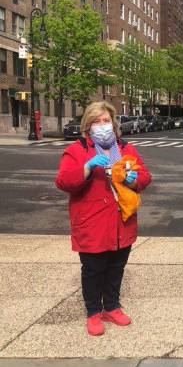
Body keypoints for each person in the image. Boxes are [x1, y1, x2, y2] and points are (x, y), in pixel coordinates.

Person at [55, 101, 152, 336]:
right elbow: (64, 181)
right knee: (93, 270)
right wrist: (87, 168)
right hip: (92, 223)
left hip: (122, 222)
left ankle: (112, 306)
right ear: (88, 126)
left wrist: (132, 179)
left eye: (106, 121)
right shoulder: (78, 150)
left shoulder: (126, 149)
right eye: (96, 122)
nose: (102, 125)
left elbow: (145, 177)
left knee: (117, 267)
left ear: (114, 123)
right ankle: (93, 312)